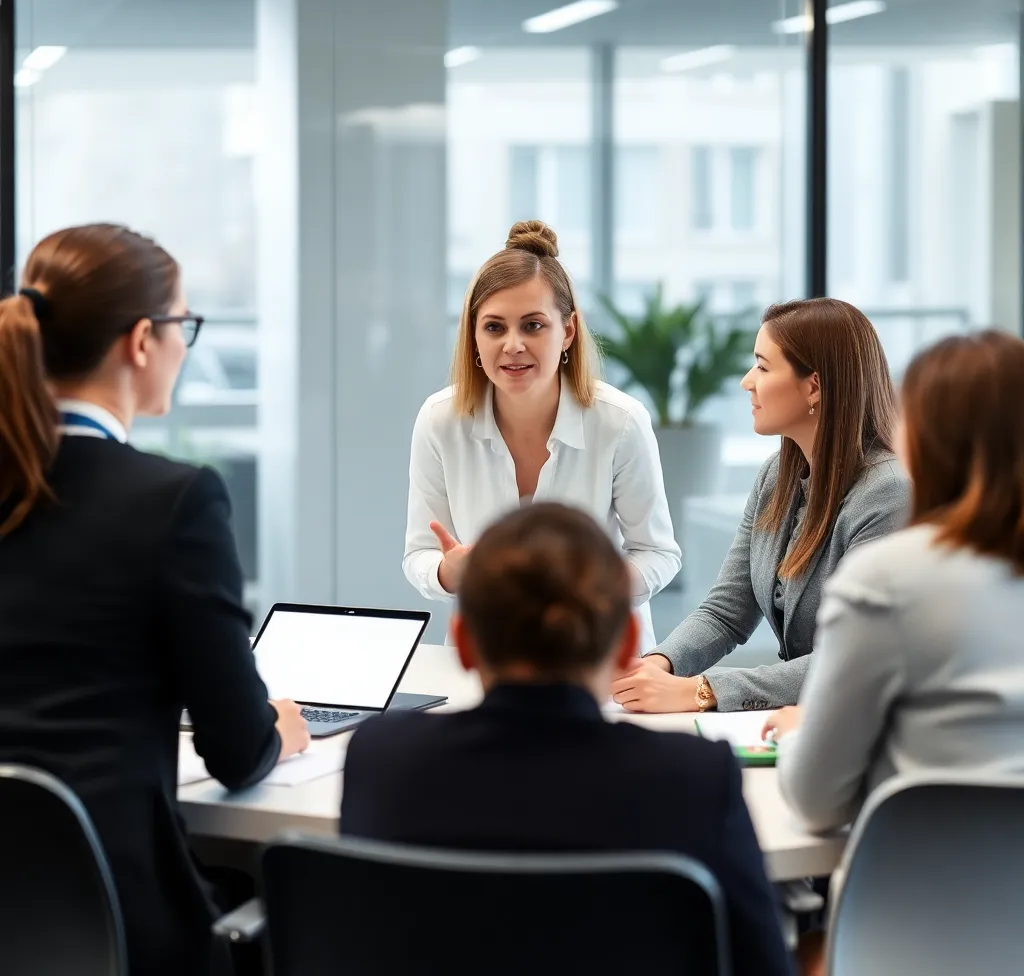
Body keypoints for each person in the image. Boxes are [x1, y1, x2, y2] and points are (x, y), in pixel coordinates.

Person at [0, 224, 309, 976]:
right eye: (182, 325)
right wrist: (279, 726)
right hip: (124, 927)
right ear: (142, 340)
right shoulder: (174, 502)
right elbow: (237, 751)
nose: (182, 346)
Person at [345, 502, 792, 976]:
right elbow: (761, 963)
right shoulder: (695, 778)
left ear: (465, 642)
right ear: (627, 644)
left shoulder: (382, 759)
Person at [769, 330, 1024, 833]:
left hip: (915, 879)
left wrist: (801, 733)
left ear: (923, 440)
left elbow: (816, 803)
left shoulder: (888, 579)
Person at [612, 298, 909, 713]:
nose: (746, 382)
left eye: (763, 367)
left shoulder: (889, 494)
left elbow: (855, 658)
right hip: (811, 717)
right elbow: (726, 611)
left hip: (871, 722)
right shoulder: (776, 476)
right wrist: (656, 665)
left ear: (814, 386)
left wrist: (703, 690)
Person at [403, 220, 679, 651]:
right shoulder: (440, 420)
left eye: (532, 326)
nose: (512, 345)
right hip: (491, 655)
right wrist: (449, 573)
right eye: (494, 327)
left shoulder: (620, 421)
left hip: (598, 654)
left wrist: (591, 587)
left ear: (567, 331)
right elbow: (420, 553)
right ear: (473, 336)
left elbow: (658, 554)